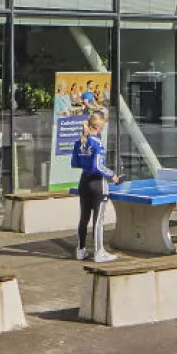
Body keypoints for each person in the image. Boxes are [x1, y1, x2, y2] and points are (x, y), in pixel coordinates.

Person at [73, 109, 120, 262]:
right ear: (98, 127)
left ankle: (80, 250)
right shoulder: (97, 144)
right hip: (98, 184)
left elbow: (75, 162)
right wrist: (112, 175)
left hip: (84, 182)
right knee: (98, 220)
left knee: (83, 218)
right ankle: (99, 252)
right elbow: (98, 166)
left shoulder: (80, 142)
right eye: (103, 126)